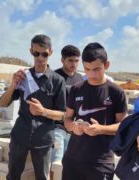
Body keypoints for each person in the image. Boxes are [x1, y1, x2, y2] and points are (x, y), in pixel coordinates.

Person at [0, 34, 66, 180]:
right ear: (31, 51)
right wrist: (13, 85)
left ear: (51, 52)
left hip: (43, 138)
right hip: (20, 135)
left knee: (42, 177)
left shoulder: (58, 81)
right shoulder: (23, 76)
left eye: (44, 54)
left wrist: (43, 111)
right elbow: (3, 103)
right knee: (12, 176)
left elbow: (63, 114)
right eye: (36, 53)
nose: (40, 58)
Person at [62, 42, 127, 180]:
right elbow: (67, 118)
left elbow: (123, 126)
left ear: (107, 65)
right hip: (73, 159)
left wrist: (100, 129)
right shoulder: (75, 89)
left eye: (97, 69)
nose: (92, 74)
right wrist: (73, 127)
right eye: (87, 69)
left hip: (101, 162)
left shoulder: (116, 92)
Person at [50, 45, 82, 179]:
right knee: (56, 164)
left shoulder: (80, 78)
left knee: (70, 164)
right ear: (62, 60)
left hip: (74, 130)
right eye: (70, 60)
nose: (74, 64)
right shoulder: (54, 76)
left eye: (76, 61)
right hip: (57, 128)